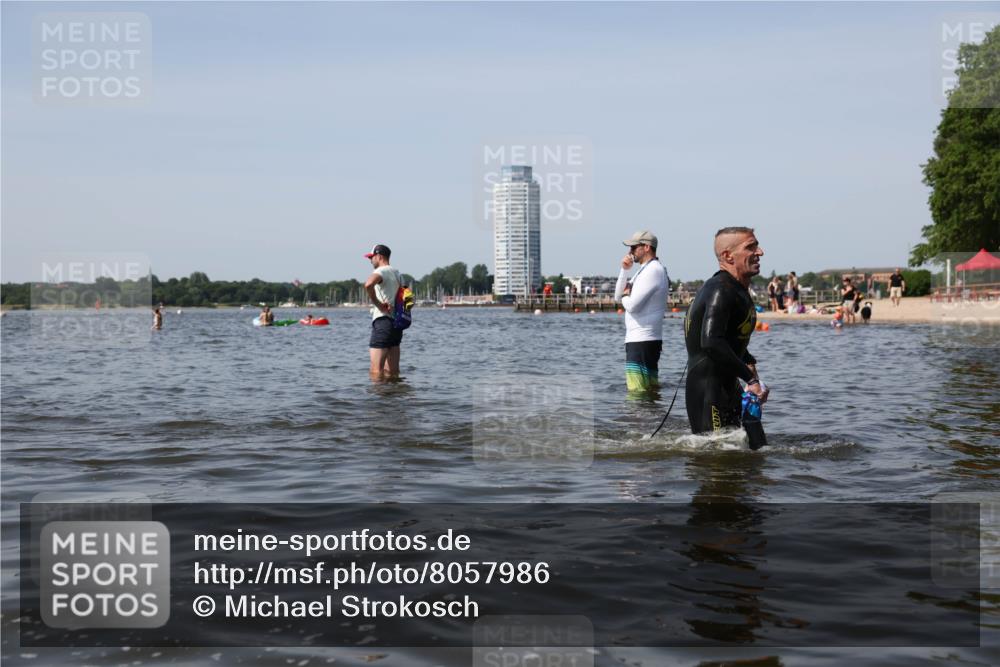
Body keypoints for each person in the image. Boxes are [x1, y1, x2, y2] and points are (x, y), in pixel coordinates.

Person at [684, 227, 768, 438]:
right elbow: (711, 342)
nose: (760, 252)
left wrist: (749, 364)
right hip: (708, 391)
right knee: (715, 460)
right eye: (751, 247)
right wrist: (751, 380)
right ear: (727, 256)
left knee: (755, 449)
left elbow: (730, 338)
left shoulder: (737, 289)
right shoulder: (720, 289)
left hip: (729, 385)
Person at [614, 230, 670, 393]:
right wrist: (624, 270)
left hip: (642, 340)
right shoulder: (643, 270)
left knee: (637, 392)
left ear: (646, 247)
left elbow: (631, 305)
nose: (630, 252)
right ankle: (651, 418)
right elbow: (618, 296)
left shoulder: (653, 270)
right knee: (648, 392)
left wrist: (626, 295)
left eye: (633, 247)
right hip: (641, 340)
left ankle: (641, 418)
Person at [363, 244, 403, 380]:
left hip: (382, 322)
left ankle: (378, 401)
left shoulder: (382, 271)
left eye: (371, 257)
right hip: (396, 324)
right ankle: (394, 398)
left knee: (376, 371)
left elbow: (368, 284)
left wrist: (379, 305)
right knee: (393, 372)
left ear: (379, 256)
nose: (370, 260)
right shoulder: (398, 274)